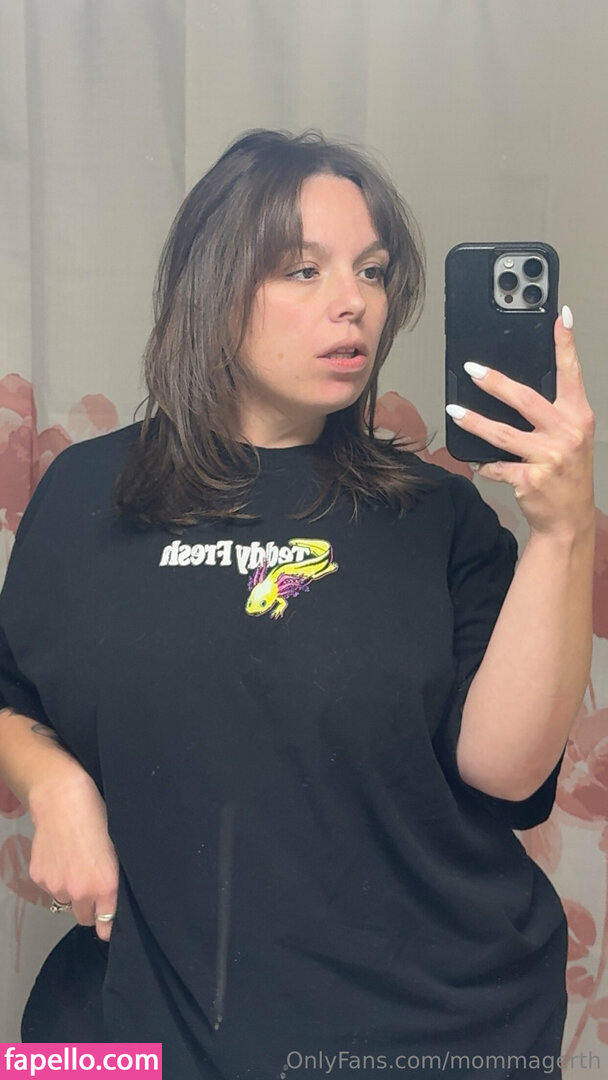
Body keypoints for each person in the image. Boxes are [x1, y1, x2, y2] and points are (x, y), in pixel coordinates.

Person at [0, 128, 596, 1080]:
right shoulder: (88, 493)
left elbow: (505, 775)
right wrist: (52, 784)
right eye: (303, 270)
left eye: (372, 270)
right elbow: (11, 691)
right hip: (135, 1021)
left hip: (426, 1035)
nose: (353, 301)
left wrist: (564, 532)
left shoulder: (437, 515)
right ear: (213, 285)